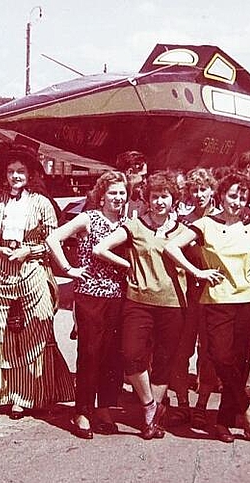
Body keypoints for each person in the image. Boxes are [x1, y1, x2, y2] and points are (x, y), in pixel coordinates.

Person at [0, 140, 74, 419]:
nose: (16, 176)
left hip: (32, 270)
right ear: (5, 176)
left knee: (37, 326)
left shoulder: (42, 204)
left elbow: (53, 244)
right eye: (11, 172)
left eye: (21, 171)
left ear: (29, 175)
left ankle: (24, 395)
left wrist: (28, 251)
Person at [165, 172, 250, 442]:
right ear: (221, 196)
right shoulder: (205, 224)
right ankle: (246, 407)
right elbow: (171, 247)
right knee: (219, 356)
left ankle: (223, 421)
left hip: (248, 300)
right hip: (217, 300)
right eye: (233, 196)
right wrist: (197, 272)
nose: (237, 202)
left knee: (241, 363)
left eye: (243, 197)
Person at [93, 172, 188, 439]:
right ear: (146, 199)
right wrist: (127, 265)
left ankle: (151, 419)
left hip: (173, 303)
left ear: (173, 200)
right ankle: (149, 405)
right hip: (139, 302)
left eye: (164, 197)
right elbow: (101, 249)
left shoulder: (183, 230)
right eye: (154, 197)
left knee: (164, 361)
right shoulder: (135, 226)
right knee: (132, 354)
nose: (159, 202)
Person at [46, 171, 128, 439]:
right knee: (91, 352)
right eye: (113, 193)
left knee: (111, 354)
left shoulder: (127, 223)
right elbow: (52, 239)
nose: (118, 197)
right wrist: (68, 268)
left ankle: (103, 407)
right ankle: (82, 410)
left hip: (118, 295)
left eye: (122, 193)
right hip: (90, 294)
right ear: (102, 195)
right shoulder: (88, 218)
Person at [169, 168, 220, 427]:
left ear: (213, 190)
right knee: (181, 351)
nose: (199, 194)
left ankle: (201, 405)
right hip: (189, 295)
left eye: (203, 189)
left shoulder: (223, 220)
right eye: (194, 190)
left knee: (208, 353)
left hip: (214, 296)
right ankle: (182, 404)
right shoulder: (184, 222)